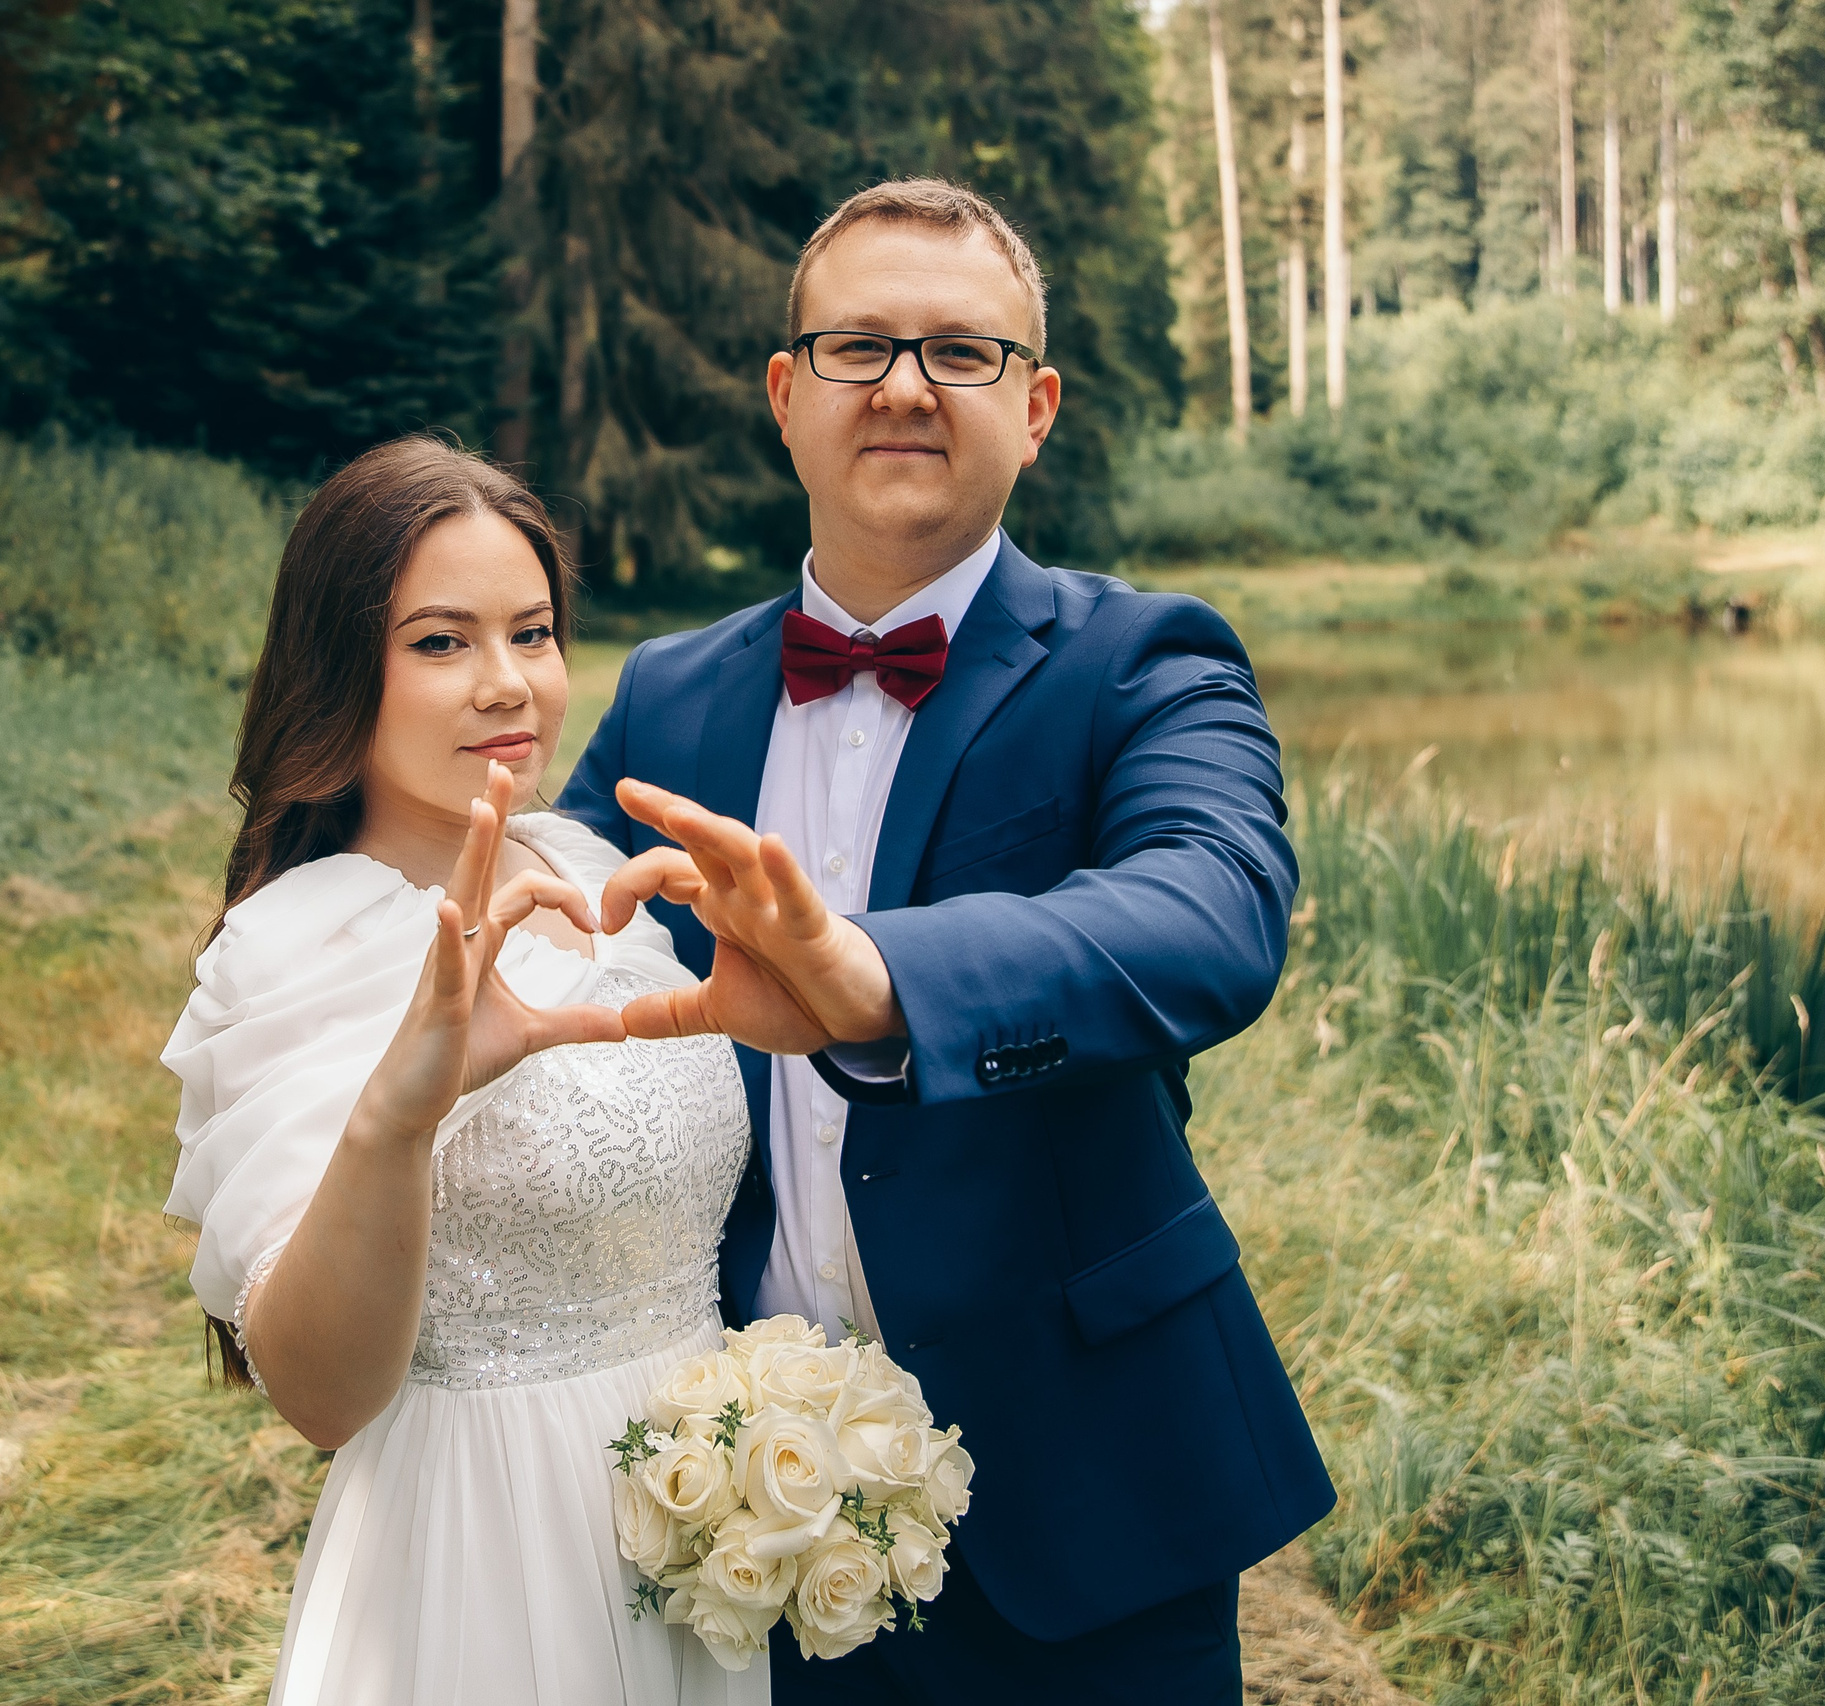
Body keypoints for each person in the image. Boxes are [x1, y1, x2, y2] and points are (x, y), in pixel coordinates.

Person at [558, 179, 1335, 1703]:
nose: (907, 383)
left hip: (1091, 1496)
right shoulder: (668, 693)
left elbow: (1212, 908)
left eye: (961, 353)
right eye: (859, 346)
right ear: (787, 397)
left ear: (1033, 407)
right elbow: (546, 949)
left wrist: (881, 981)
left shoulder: (1144, 657)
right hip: (737, 1508)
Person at [160, 437, 767, 1706]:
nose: (510, 686)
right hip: (488, 1550)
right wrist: (402, 1110)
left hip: (700, 1537)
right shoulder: (303, 941)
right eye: (441, 642)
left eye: (532, 633)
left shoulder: (590, 866)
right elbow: (319, 1394)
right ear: (343, 670)